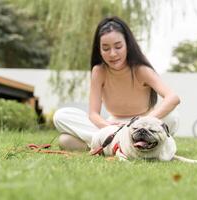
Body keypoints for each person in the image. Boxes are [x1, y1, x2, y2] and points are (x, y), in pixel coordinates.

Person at [53, 16, 180, 151]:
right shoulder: (99, 71)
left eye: (118, 46)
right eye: (106, 48)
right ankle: (120, 143)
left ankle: (109, 145)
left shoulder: (141, 70)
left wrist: (142, 123)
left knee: (172, 117)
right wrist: (106, 125)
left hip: (142, 128)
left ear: (127, 45)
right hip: (112, 127)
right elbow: (93, 114)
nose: (113, 54)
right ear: (99, 49)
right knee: (61, 118)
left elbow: (173, 98)